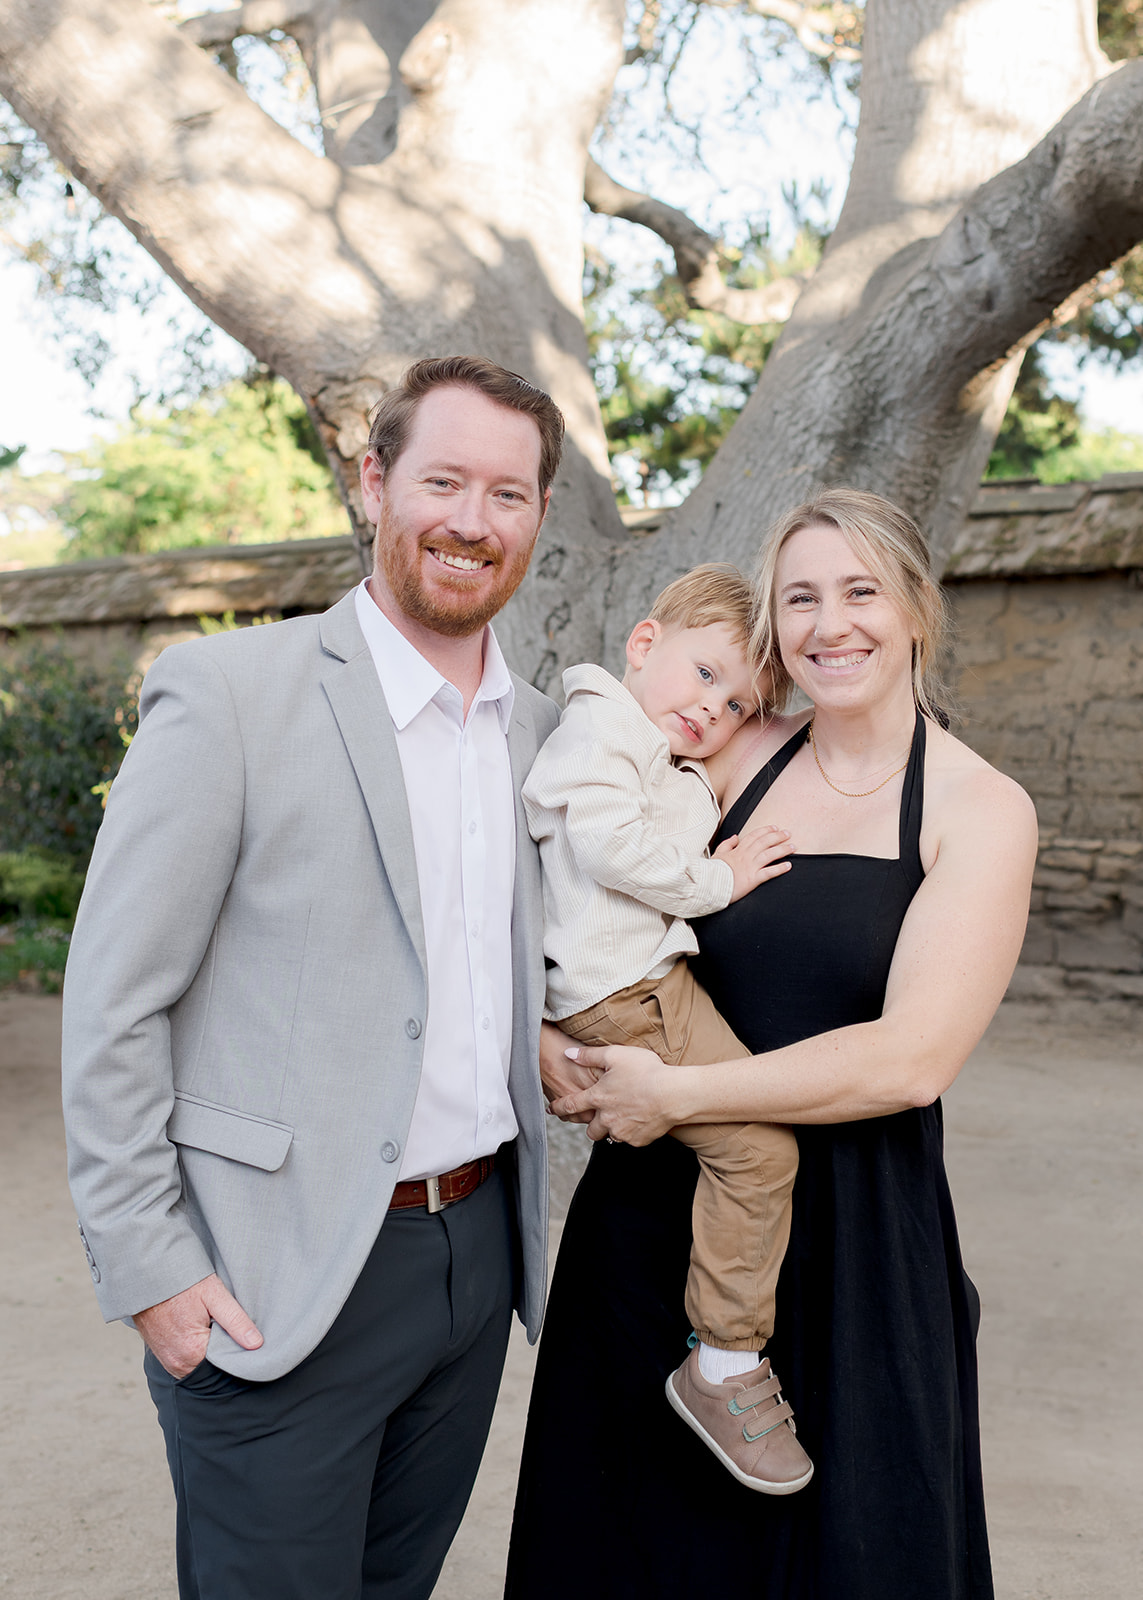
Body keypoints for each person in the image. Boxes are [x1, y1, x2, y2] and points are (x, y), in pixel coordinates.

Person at [61, 355, 564, 1600]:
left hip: (476, 1261)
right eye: (443, 480)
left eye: (507, 493)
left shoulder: (542, 733)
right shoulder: (232, 695)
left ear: (539, 513)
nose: (472, 520)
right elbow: (115, 1000)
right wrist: (153, 1266)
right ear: (375, 481)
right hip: (274, 1274)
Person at [505, 488, 1037, 1600]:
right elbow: (550, 860)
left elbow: (910, 1060)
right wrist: (543, 1027)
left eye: (859, 592)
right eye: (800, 598)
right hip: (655, 1223)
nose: (829, 624)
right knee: (627, 1555)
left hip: (858, 1247)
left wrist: (679, 1094)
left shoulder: (978, 809)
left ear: (916, 607)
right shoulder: (732, 747)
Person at [521, 563, 811, 1493]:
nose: (710, 708)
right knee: (760, 1153)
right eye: (704, 674)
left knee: (743, 1145)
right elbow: (610, 847)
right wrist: (721, 878)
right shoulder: (602, 729)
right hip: (629, 996)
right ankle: (723, 1363)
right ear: (644, 644)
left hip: (640, 986)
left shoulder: (649, 748)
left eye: (734, 705)